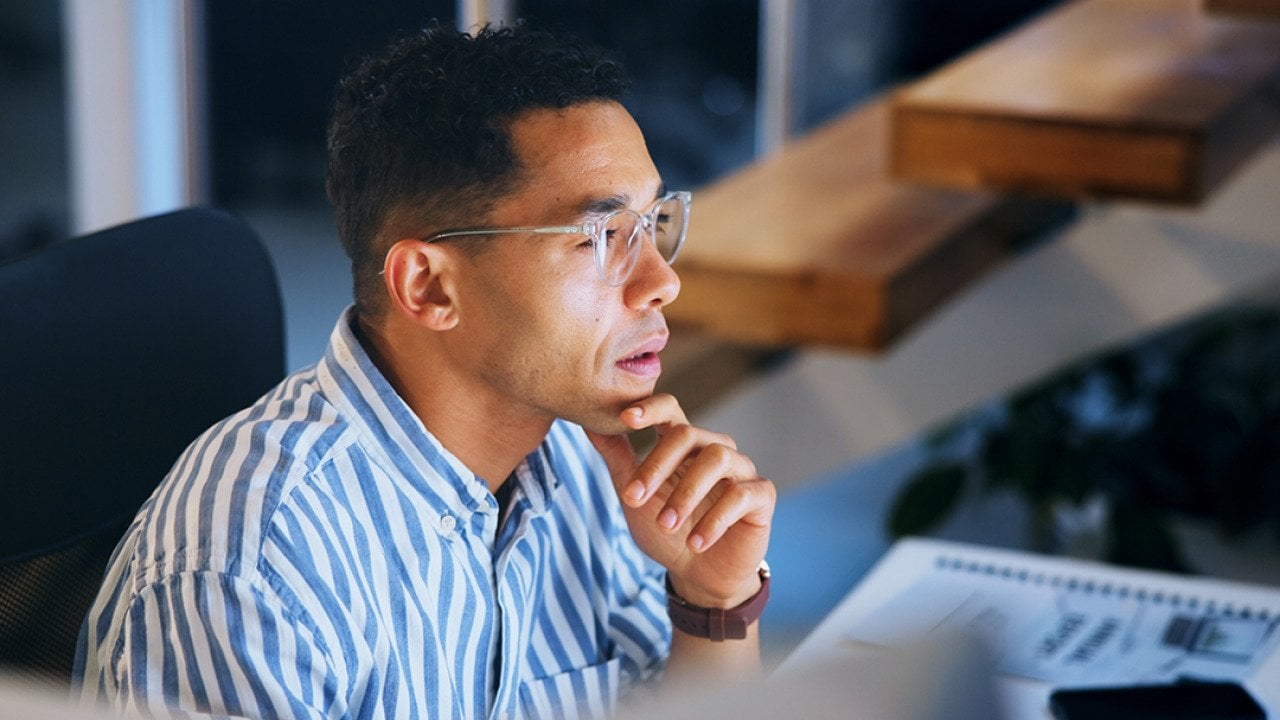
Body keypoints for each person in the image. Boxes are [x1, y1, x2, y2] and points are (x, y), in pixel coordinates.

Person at [74, 23, 776, 720]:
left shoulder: (584, 455)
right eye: (602, 236)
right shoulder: (251, 568)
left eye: (653, 223)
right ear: (430, 287)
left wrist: (712, 601)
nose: (663, 282)